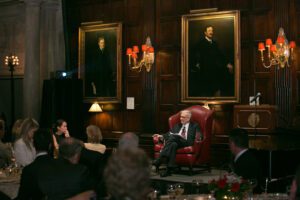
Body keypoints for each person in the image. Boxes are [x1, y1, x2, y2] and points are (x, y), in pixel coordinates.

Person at [152, 110, 202, 177]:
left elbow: (199, 135)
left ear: (188, 118)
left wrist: (198, 138)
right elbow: (169, 133)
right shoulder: (178, 125)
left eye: (183, 117)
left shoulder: (194, 125)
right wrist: (161, 136)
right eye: (181, 117)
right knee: (173, 144)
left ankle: (159, 160)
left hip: (187, 142)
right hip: (176, 142)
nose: (181, 118)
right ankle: (169, 169)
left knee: (173, 137)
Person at [189, 25, 233, 97]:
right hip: (205, 72)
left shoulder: (215, 43)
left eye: (212, 31)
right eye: (209, 31)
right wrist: (196, 64)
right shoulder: (200, 43)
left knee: (217, 91)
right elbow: (193, 55)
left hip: (214, 72)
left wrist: (227, 64)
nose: (211, 32)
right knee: (206, 93)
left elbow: (220, 55)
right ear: (205, 33)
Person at [17, 128, 53, 200]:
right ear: (50, 145)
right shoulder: (59, 165)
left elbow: (22, 197)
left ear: (33, 144)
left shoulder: (28, 170)